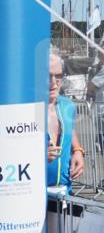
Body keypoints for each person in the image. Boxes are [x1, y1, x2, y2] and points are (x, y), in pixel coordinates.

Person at [47, 51, 85, 195]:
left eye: (58, 76)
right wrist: (36, 157)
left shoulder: (67, 105)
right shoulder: (23, 109)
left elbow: (70, 128)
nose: (53, 82)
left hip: (64, 193)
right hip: (32, 195)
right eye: (47, 76)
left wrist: (77, 150)